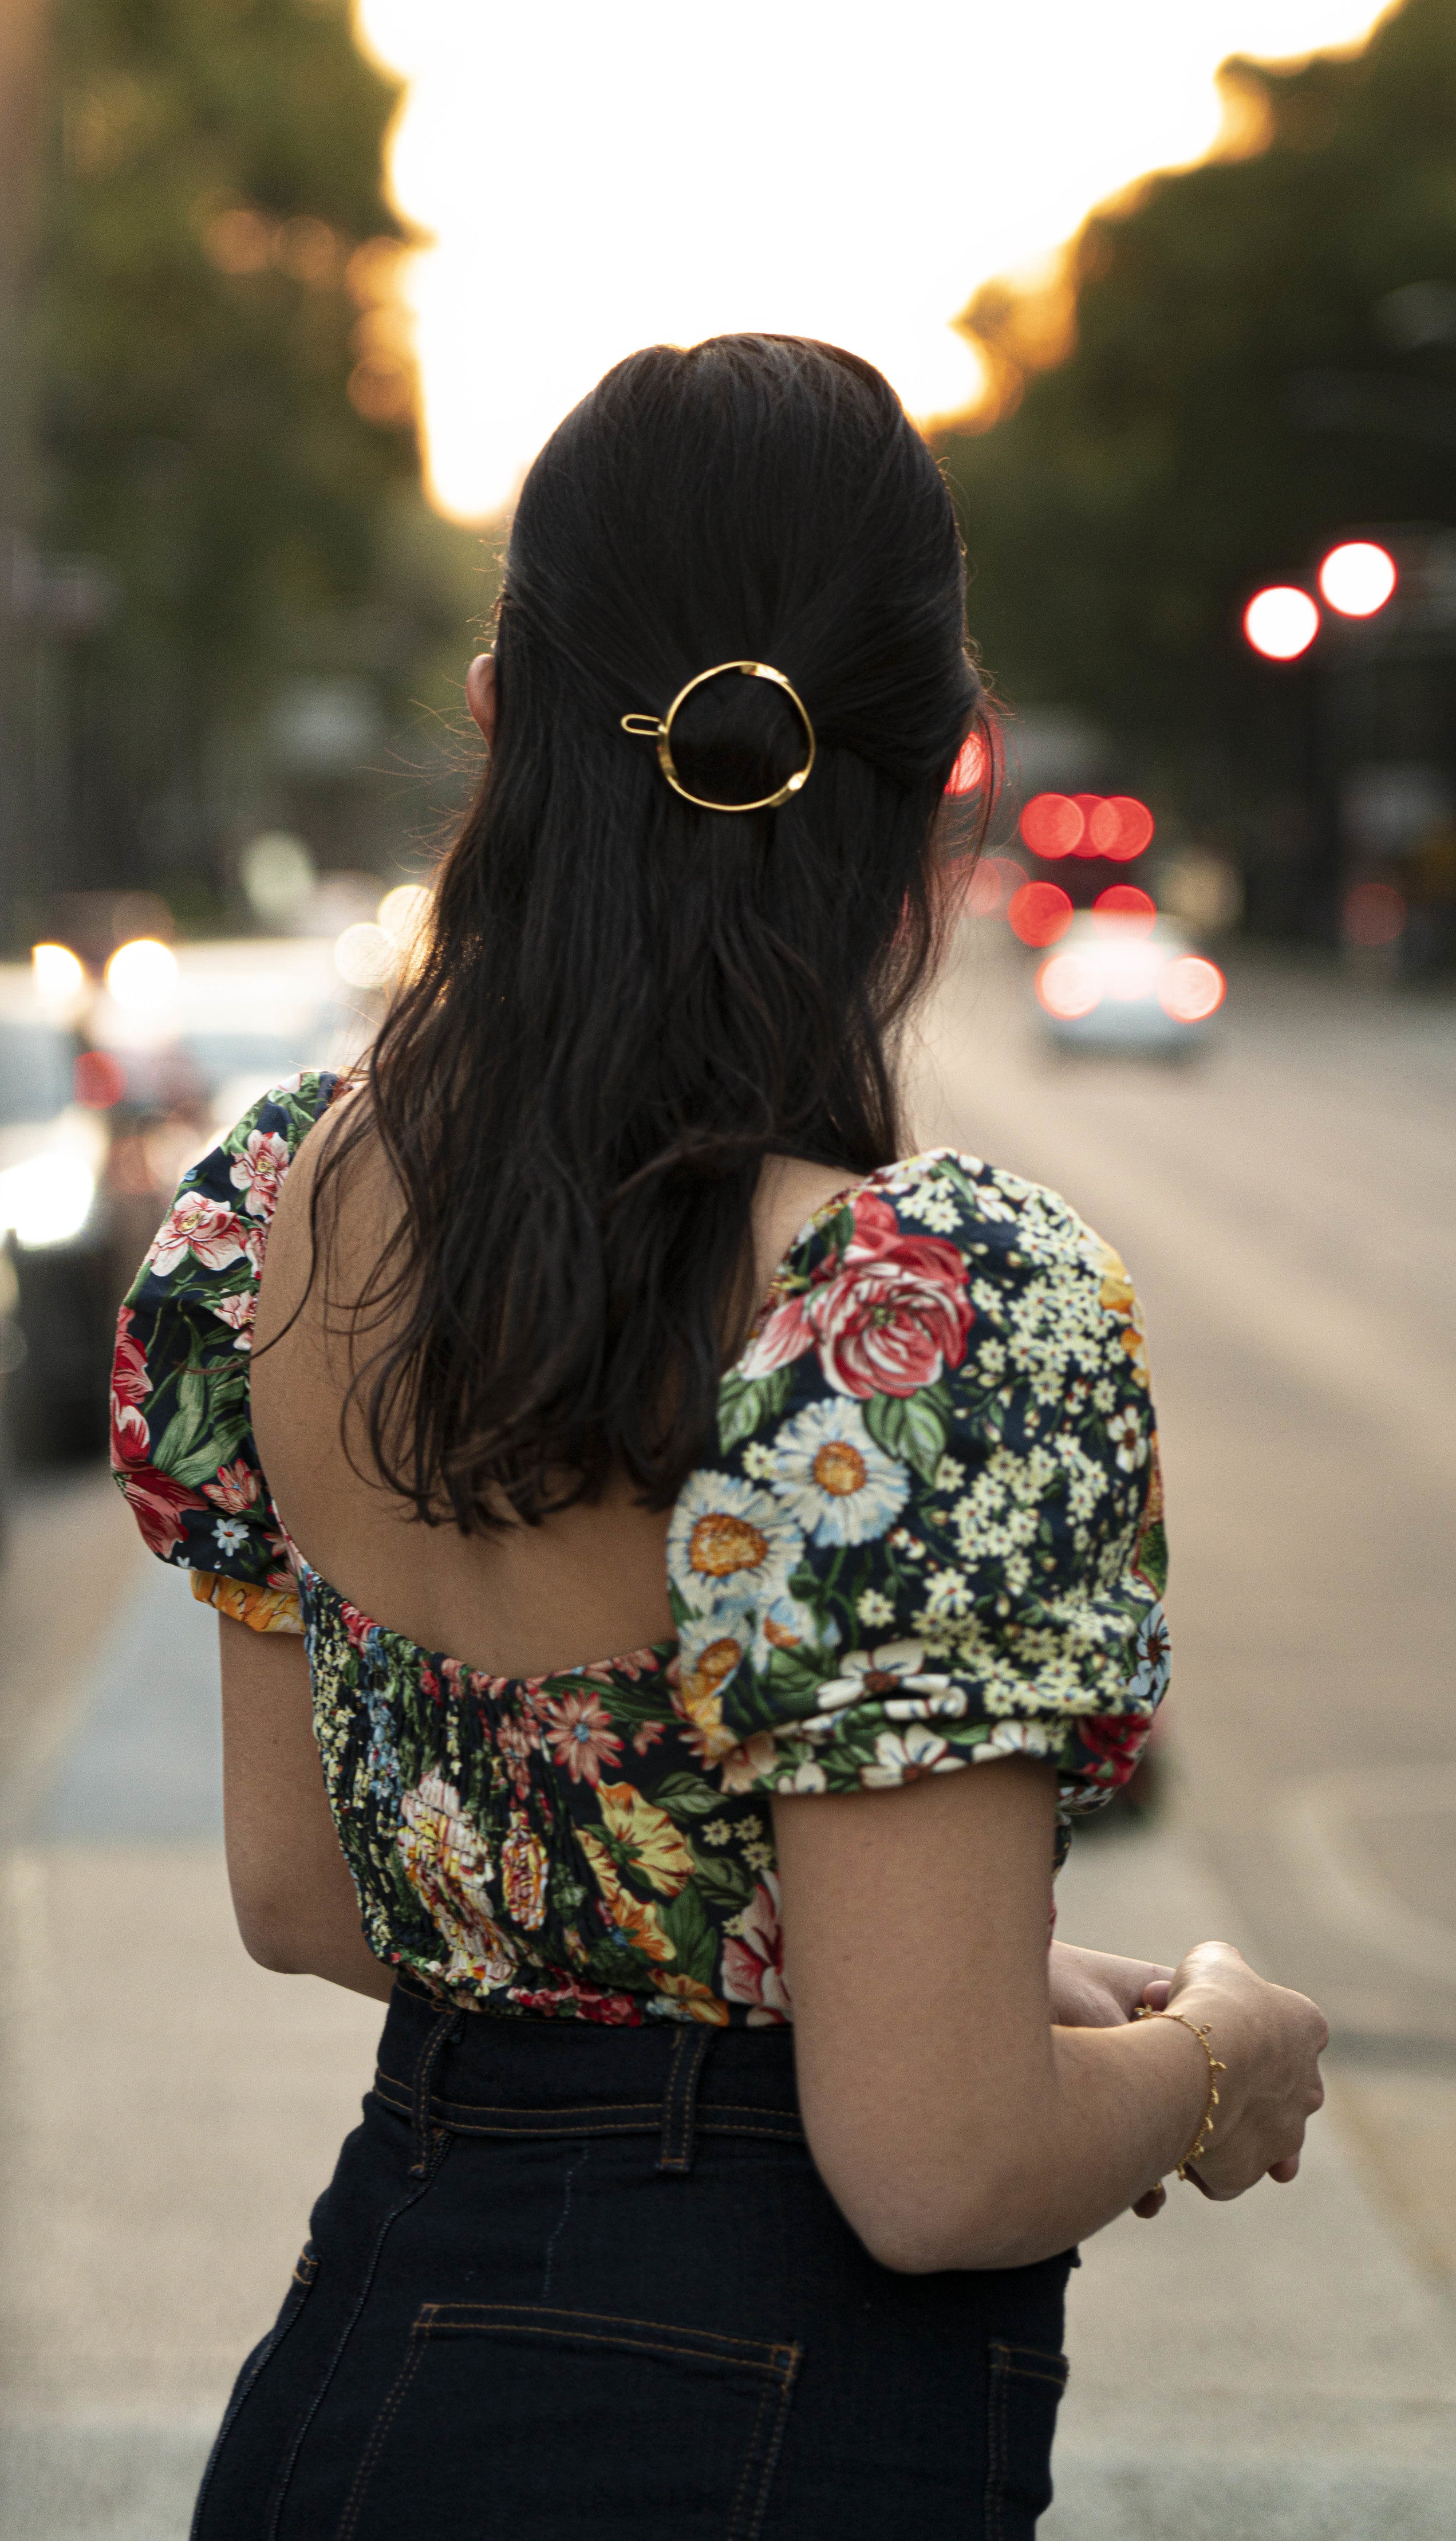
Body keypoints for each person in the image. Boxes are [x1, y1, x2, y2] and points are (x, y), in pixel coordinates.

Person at [112, 335, 1328, 2538]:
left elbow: (314, 1893)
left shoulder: (263, 1226)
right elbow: (938, 2165)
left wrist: (917, 1958)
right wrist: (1221, 2058)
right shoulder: (919, 1311)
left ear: (500, 713)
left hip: (359, 2373)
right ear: (948, 771)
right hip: (754, 2436)